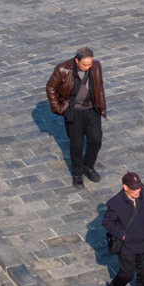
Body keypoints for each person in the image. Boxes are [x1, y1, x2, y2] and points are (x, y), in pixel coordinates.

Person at [46, 47, 106, 187]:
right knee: (76, 145)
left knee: (96, 139)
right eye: (84, 65)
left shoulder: (96, 67)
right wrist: (58, 109)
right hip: (73, 111)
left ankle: (89, 166)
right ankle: (78, 173)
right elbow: (50, 87)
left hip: (92, 109)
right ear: (76, 61)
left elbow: (99, 86)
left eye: (90, 64)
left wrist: (101, 105)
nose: (88, 67)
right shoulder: (62, 69)